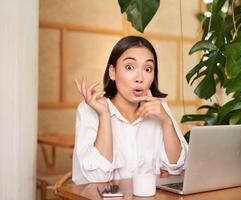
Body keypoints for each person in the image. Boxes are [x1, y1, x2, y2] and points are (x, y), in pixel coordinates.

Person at [72, 36, 188, 184]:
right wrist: (104, 115)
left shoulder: (160, 107)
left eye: (148, 69)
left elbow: (176, 168)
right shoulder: (90, 109)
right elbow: (98, 177)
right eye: (130, 67)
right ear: (112, 72)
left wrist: (166, 122)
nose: (140, 78)